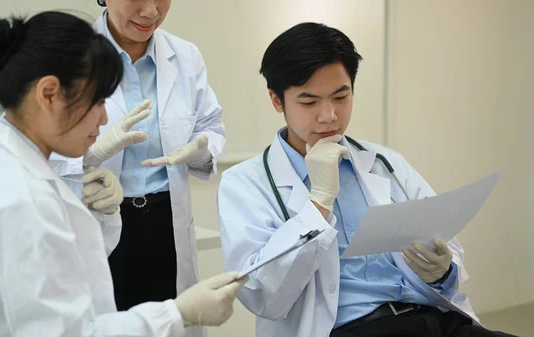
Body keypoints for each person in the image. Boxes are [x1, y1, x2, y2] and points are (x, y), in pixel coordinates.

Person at [0, 12, 246, 337]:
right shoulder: (22, 200)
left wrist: (105, 213)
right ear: (49, 94)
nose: (104, 117)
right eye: (98, 100)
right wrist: (177, 312)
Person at [217, 22, 514, 337]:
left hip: (433, 320)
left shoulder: (385, 162)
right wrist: (317, 202)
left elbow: (443, 239)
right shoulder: (246, 183)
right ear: (277, 100)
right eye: (309, 102)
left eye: (341, 97)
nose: (329, 115)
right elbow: (262, 295)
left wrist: (440, 271)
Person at [49, 2, 225, 330]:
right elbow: (35, 144)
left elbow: (210, 126)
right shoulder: (66, 55)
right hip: (97, 220)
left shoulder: (185, 57)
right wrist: (88, 158)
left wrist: (199, 152)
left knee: (170, 321)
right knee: (103, 324)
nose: (150, 11)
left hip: (165, 223)